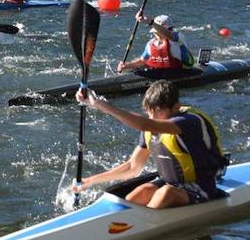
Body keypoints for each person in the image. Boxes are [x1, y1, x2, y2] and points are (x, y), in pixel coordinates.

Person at [75, 80, 226, 208]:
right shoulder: (150, 127)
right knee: (142, 191)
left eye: (158, 111)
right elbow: (132, 168)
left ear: (176, 107)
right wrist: (90, 181)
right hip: (173, 184)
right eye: (149, 112)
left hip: (202, 187)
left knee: (166, 193)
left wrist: (99, 104)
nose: (152, 116)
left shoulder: (188, 122)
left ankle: (136, 230)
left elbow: (143, 124)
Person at [117, 14, 195, 73]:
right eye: (155, 33)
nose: (156, 35)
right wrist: (127, 66)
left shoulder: (178, 37)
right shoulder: (150, 44)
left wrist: (151, 22)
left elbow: (168, 35)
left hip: (181, 71)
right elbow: (142, 61)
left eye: (157, 32)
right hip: (159, 73)